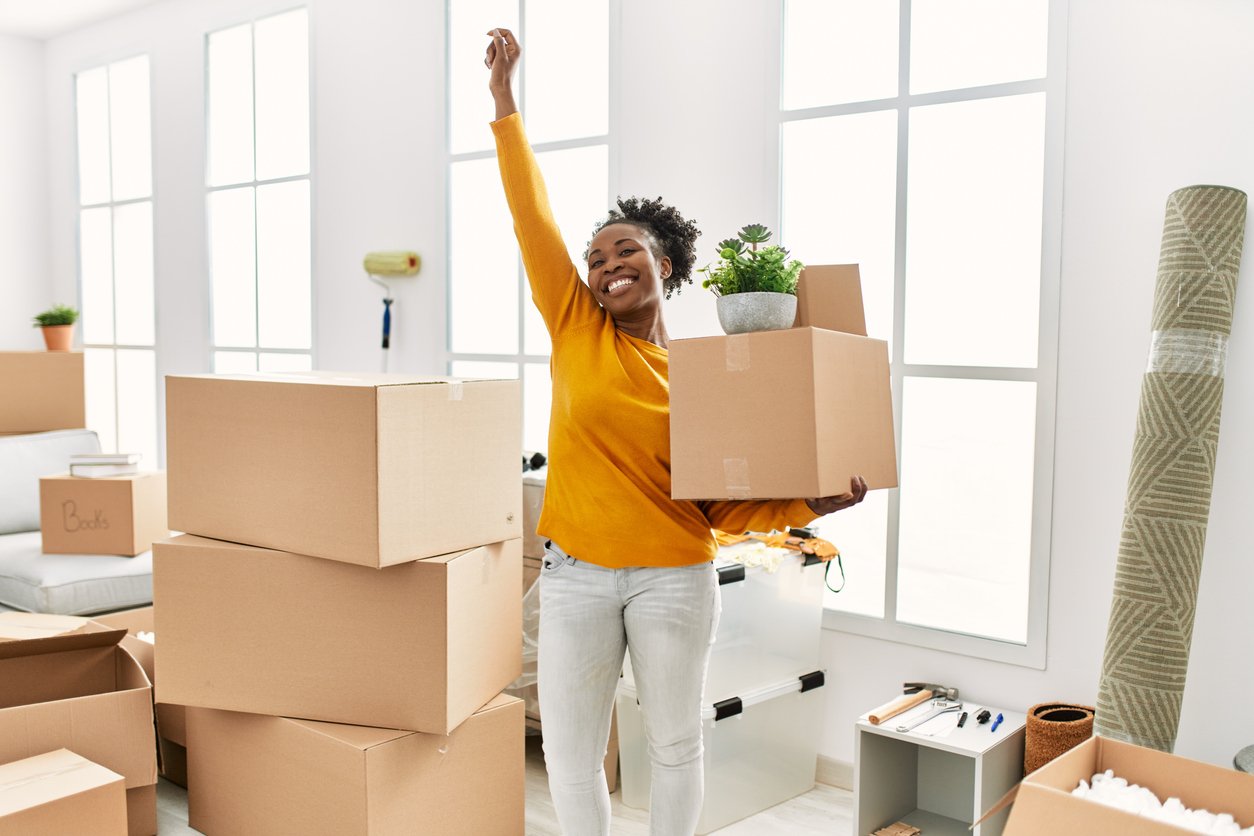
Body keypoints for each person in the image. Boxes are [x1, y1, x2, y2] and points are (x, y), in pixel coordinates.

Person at [484, 28, 868, 836]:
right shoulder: (574, 327)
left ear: (666, 267)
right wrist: (504, 105)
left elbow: (722, 510)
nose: (606, 264)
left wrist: (812, 505)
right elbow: (531, 218)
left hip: (673, 580)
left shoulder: (702, 376)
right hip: (575, 576)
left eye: (626, 250)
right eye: (595, 257)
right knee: (571, 751)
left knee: (675, 743)